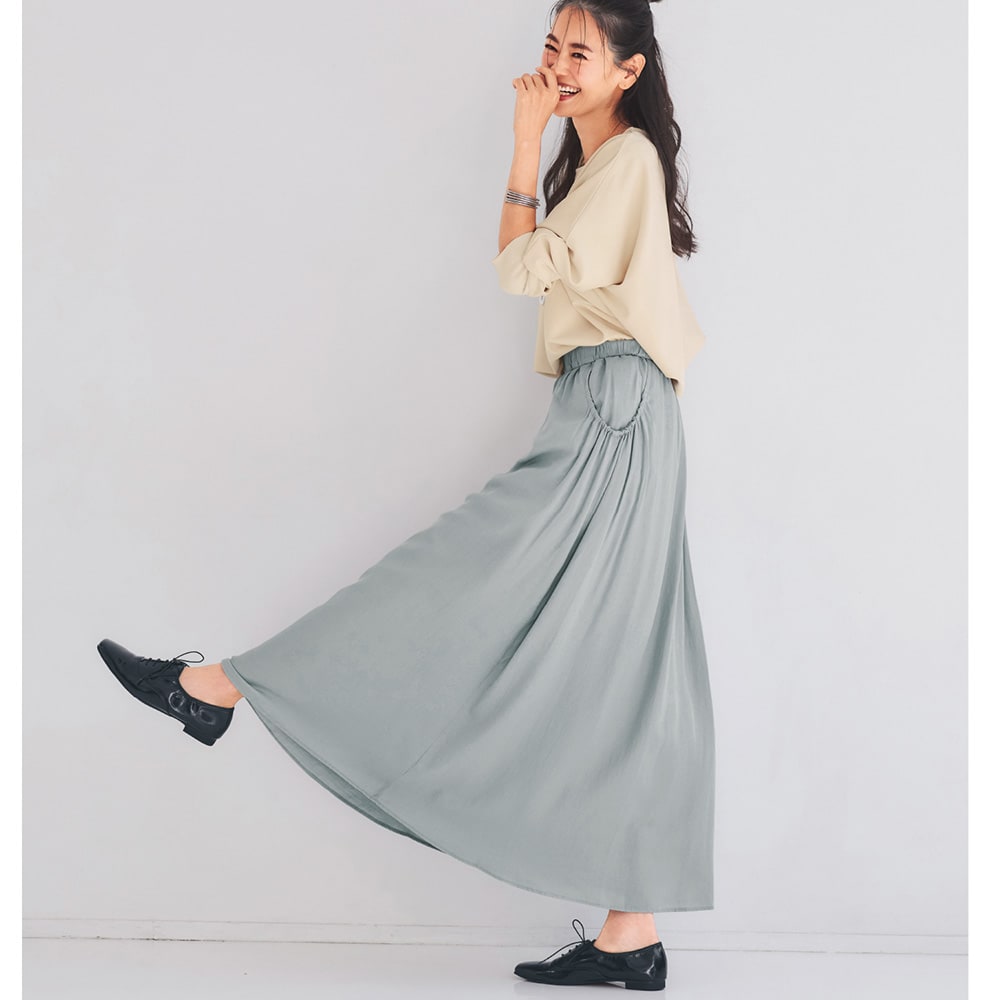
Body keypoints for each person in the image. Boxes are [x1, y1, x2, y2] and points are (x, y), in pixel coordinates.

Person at [96, 0, 713, 992]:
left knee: (471, 587)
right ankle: (629, 934)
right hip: (614, 409)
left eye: (580, 52)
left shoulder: (624, 163)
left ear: (627, 72)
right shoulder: (603, 166)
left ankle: (217, 689)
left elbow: (518, 269)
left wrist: (524, 139)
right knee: (619, 662)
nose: (558, 66)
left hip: (617, 414)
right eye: (550, 46)